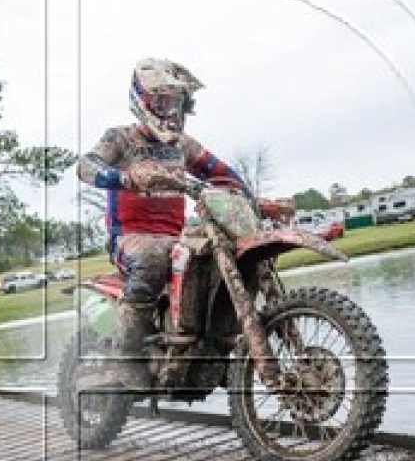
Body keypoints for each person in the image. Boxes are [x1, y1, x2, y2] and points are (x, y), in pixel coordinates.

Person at [77, 57, 292, 389]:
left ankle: (213, 341)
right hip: (131, 237)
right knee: (152, 260)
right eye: (161, 100)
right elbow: (85, 167)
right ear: (142, 99)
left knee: (220, 257)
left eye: (175, 101)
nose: (169, 109)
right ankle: (125, 357)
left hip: (175, 236)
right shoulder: (120, 138)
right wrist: (126, 177)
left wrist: (255, 201)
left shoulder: (183, 146)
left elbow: (223, 174)